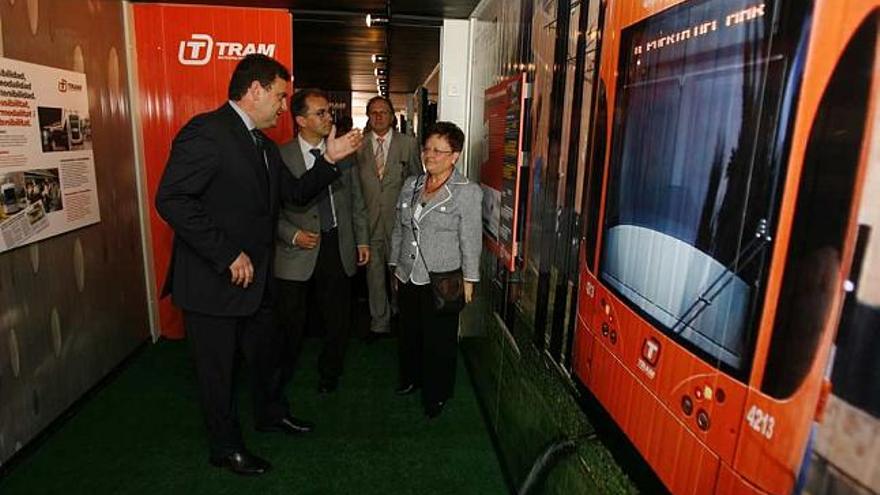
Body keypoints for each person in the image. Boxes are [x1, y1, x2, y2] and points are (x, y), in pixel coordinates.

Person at [155, 54, 363, 476]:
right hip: (213, 281)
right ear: (255, 91)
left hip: (257, 282)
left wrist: (329, 160)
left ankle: (270, 413)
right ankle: (224, 446)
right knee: (218, 373)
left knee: (267, 355)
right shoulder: (207, 132)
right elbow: (171, 199)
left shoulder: (265, 146)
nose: (284, 107)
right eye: (280, 97)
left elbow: (297, 195)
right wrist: (226, 253)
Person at [274, 89, 370, 395]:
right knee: (290, 321)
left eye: (330, 112)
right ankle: (281, 373)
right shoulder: (279, 156)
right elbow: (267, 211)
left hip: (336, 245)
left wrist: (361, 240)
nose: (329, 117)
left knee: (338, 318)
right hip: (295, 248)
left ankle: (330, 372)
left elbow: (356, 200)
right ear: (300, 120)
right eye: (321, 113)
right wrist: (292, 234)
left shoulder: (344, 153)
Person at [389, 121, 482, 418]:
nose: (430, 155)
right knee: (410, 332)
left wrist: (470, 280)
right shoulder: (412, 184)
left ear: (455, 155)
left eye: (439, 151)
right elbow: (399, 229)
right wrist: (395, 265)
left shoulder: (467, 192)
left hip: (443, 280)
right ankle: (411, 379)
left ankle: (437, 393)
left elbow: (470, 240)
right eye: (427, 148)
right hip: (408, 273)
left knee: (439, 340)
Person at [355, 96, 422, 340]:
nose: (379, 116)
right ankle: (379, 323)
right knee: (374, 274)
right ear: (368, 116)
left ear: (393, 116)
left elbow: (417, 181)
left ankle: (399, 312)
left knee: (398, 271)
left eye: (383, 112)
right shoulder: (358, 146)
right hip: (369, 222)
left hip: (399, 224)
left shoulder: (409, 144)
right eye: (374, 112)